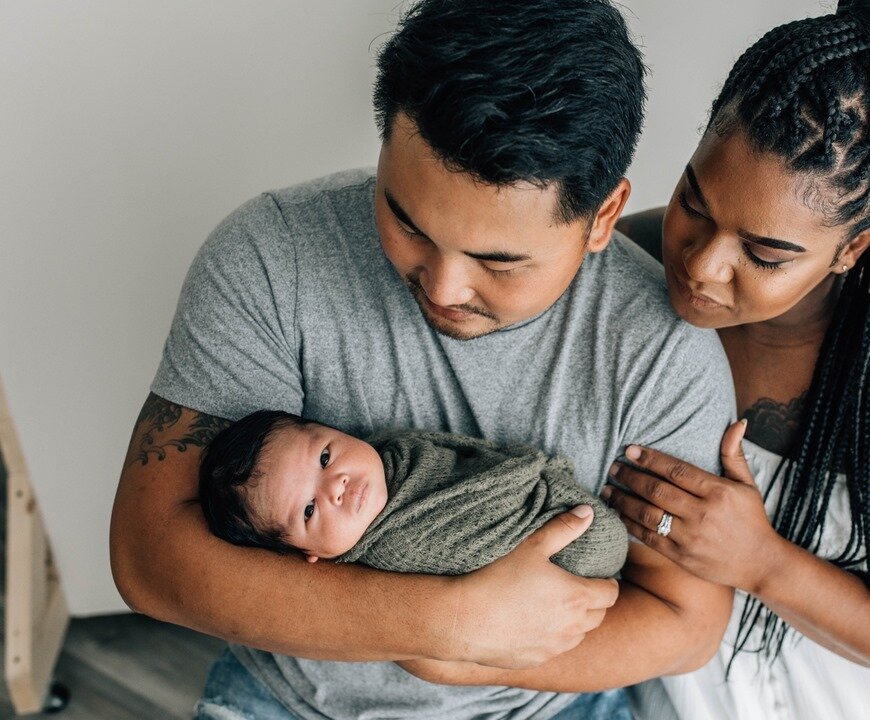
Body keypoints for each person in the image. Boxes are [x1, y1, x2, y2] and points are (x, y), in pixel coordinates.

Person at [109, 1, 736, 719]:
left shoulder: (661, 356)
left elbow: (685, 623)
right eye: (406, 219)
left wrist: (470, 666)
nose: (442, 288)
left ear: (601, 215)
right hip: (292, 701)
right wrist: (448, 623)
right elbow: (150, 557)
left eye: (499, 261)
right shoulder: (270, 255)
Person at [606, 1, 870, 718]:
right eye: (695, 200)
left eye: (764, 252)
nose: (703, 266)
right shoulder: (635, 263)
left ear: (854, 247)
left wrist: (761, 562)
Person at [198, 410, 627, 577]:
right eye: (309, 510)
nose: (335, 487)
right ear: (311, 555)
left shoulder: (393, 450)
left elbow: (471, 456)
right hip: (563, 543)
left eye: (325, 458)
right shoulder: (396, 546)